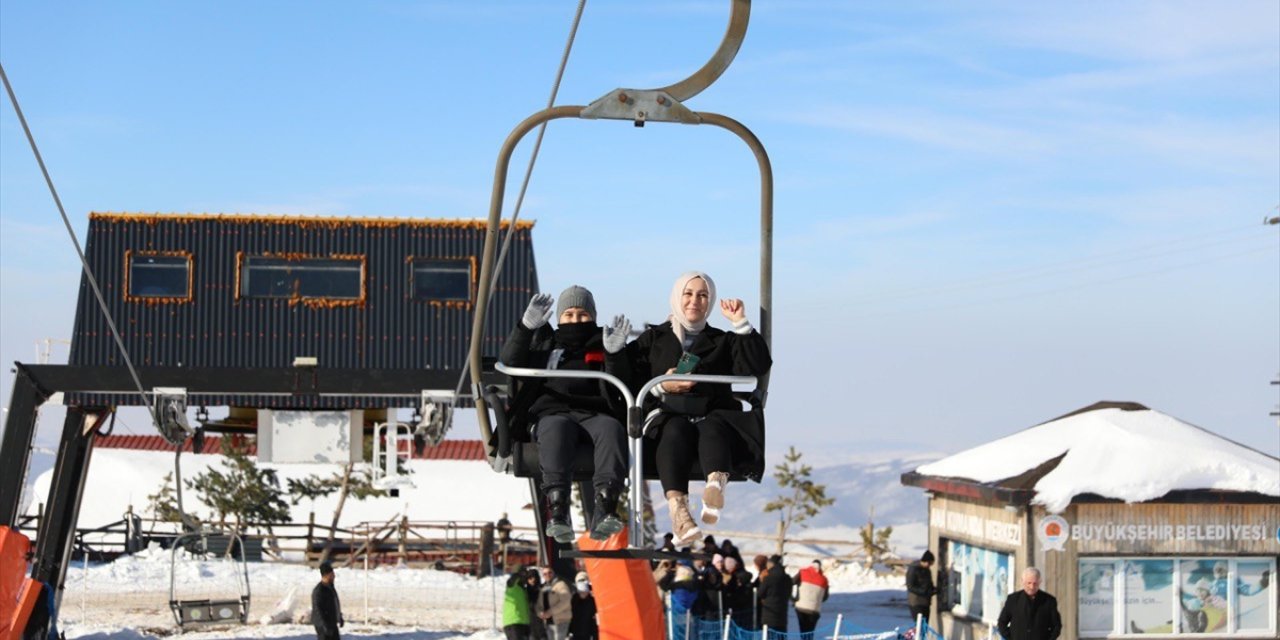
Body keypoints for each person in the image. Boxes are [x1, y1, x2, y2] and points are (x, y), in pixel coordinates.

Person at [621, 271, 772, 543]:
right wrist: (662, 385)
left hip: (711, 413)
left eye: (703, 295)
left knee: (713, 427)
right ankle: (679, 510)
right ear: (677, 297)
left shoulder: (722, 340)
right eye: (688, 294)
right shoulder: (653, 339)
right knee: (675, 429)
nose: (695, 301)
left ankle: (715, 483)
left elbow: (756, 365)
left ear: (710, 301)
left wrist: (741, 324)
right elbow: (627, 379)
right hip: (666, 414)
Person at [501, 287, 632, 542]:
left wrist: (614, 355)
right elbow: (510, 363)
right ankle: (558, 507)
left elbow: (622, 382)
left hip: (595, 412)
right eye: (569, 315)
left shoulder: (602, 342)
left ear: (592, 317)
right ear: (559, 318)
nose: (575, 321)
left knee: (611, 429)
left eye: (582, 315)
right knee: (555, 431)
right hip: (552, 412)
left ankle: (605, 505)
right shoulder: (546, 343)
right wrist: (525, 329)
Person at [996, 567, 1062, 640]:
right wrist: (1011, 637)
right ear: (1023, 582)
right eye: (1029, 583)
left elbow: (1056, 626)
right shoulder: (1013, 599)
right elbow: (1001, 622)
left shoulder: (1049, 601)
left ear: (1040, 582)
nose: (1032, 587)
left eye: (1035, 583)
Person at [536, 566, 574, 640]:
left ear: (553, 573)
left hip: (561, 620)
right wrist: (540, 613)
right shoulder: (543, 588)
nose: (548, 575)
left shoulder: (561, 585)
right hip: (548, 622)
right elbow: (538, 605)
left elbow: (566, 601)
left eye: (549, 572)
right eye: (545, 574)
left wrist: (550, 612)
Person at [758, 554, 793, 632]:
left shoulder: (768, 578)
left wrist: (761, 581)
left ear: (772, 564)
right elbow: (789, 594)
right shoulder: (788, 578)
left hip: (769, 614)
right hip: (782, 614)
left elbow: (760, 593)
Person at [795, 560, 830, 635]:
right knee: (810, 632)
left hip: (800, 607)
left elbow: (791, 582)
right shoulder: (824, 580)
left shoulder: (802, 572)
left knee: (803, 631)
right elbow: (825, 597)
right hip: (814, 610)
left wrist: (794, 597)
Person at [311, 562, 343, 640]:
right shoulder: (319, 591)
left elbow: (335, 604)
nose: (334, 576)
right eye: (332, 575)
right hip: (323, 626)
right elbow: (317, 609)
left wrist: (339, 617)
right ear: (326, 575)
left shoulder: (330, 588)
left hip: (332, 623)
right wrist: (324, 625)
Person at [906, 550, 938, 625]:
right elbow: (910, 586)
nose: (930, 566)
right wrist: (924, 592)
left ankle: (922, 636)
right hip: (916, 602)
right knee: (919, 625)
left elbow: (928, 584)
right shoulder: (914, 569)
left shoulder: (927, 570)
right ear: (925, 561)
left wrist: (933, 590)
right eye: (929, 563)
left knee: (924, 626)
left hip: (926, 602)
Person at [503, 569, 532, 640]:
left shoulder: (524, 590)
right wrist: (518, 574)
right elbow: (510, 581)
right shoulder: (512, 587)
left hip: (525, 623)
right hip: (514, 622)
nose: (525, 578)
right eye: (524, 576)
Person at [569, 572, 599, 640]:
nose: (582, 584)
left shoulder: (592, 600)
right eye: (580, 582)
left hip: (588, 633)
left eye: (584, 581)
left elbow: (595, 619)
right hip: (576, 633)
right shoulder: (573, 599)